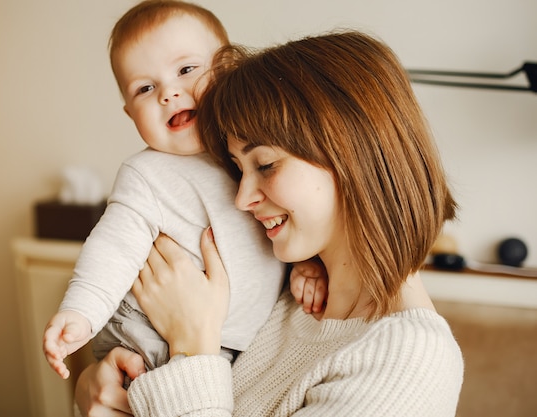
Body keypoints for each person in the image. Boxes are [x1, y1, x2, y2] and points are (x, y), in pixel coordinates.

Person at [75, 30, 465, 416]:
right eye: (237, 169)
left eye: (265, 164)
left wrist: (192, 341)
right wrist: (94, 387)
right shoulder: (287, 292)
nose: (242, 199)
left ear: (354, 153)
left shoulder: (410, 360)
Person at [42, 0, 288, 381]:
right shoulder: (147, 174)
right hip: (150, 337)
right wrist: (81, 312)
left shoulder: (259, 153)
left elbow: (287, 223)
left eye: (186, 69)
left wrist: (307, 269)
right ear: (129, 113)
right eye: (144, 88)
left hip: (240, 349)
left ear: (227, 71)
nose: (168, 93)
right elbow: (113, 249)